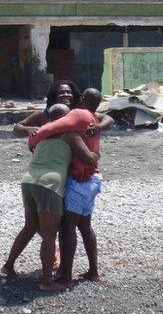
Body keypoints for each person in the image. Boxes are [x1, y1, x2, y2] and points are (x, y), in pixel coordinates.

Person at [2, 91, 103, 291]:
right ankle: (48, 281)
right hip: (50, 186)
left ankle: (8, 265)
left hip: (29, 182)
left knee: (29, 227)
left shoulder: (39, 136)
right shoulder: (71, 135)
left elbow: (28, 138)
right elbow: (89, 158)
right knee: (52, 234)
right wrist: (96, 153)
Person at [28, 89, 111, 284]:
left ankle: (66, 275)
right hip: (91, 179)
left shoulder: (77, 116)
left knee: (68, 227)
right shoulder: (91, 117)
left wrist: (32, 138)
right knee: (84, 225)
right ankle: (93, 272)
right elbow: (108, 120)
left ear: (81, 99)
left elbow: (53, 129)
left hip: (81, 179)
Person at [12, 80, 80, 137]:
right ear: (54, 96)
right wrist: (27, 129)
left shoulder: (78, 113)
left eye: (69, 92)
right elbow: (16, 128)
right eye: (61, 92)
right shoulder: (43, 115)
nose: (66, 95)